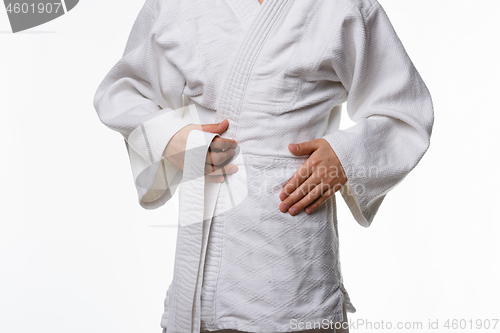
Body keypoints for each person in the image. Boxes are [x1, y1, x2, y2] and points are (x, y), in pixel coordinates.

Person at [93, 0, 434, 332]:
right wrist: (172, 138)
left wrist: (346, 156)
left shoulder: (344, 7)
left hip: (296, 264)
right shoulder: (179, 5)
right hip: (203, 277)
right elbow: (122, 92)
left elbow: (404, 112)